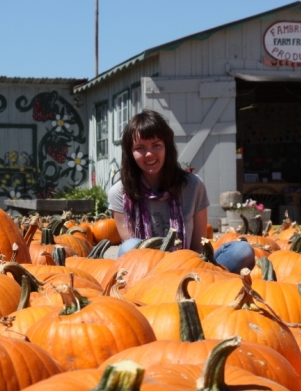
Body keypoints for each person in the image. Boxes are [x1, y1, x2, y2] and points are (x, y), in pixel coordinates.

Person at [107, 109, 255, 273]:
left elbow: (198, 247)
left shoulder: (193, 186)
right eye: (140, 147)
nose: (149, 154)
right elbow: (133, 257)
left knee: (242, 250)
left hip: (190, 267)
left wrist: (190, 269)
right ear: (130, 152)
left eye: (156, 145)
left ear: (167, 147)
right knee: (129, 247)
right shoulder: (119, 193)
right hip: (147, 274)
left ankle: (202, 284)